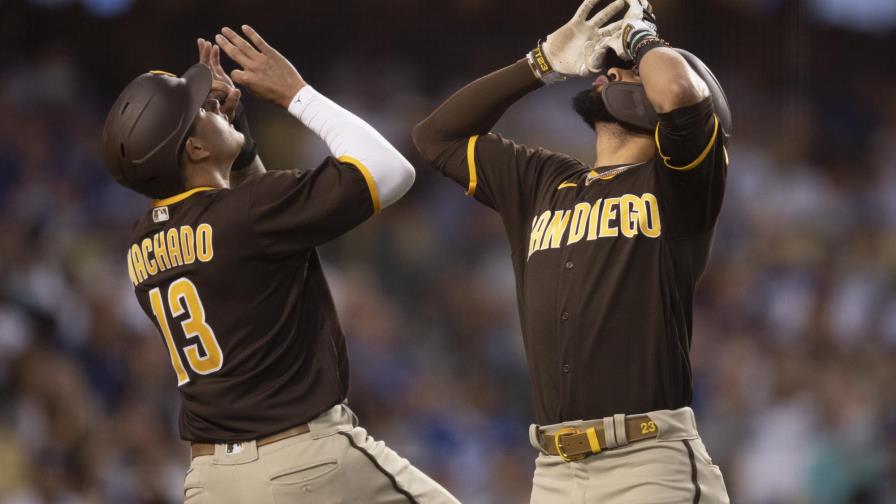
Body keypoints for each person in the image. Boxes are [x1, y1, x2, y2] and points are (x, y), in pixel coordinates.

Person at [102, 25, 459, 504]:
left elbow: (259, 233)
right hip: (305, 462)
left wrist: (239, 140)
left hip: (211, 482)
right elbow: (390, 169)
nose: (212, 106)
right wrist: (297, 93)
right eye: (200, 112)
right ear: (195, 149)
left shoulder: (142, 241)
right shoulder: (248, 214)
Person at [412, 0, 731, 501]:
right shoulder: (545, 180)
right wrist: (539, 64)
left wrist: (641, 38)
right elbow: (435, 136)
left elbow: (679, 93)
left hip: (648, 465)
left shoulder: (680, 184)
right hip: (555, 472)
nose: (605, 70)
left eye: (624, 71)